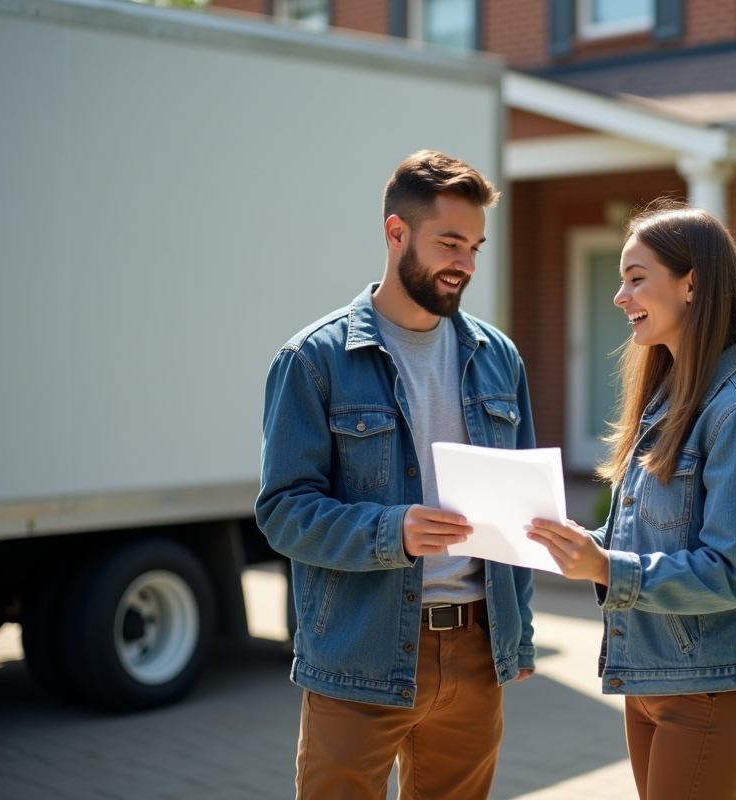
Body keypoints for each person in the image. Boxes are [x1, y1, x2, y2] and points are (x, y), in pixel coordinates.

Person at [256, 150, 536, 800]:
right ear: (395, 232)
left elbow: (519, 511)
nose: (464, 262)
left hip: (474, 650)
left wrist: (515, 637)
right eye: (449, 242)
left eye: (474, 245)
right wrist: (395, 530)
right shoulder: (313, 361)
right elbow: (284, 512)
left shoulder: (500, 359)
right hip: (361, 653)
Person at [527, 201, 736, 800]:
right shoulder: (667, 401)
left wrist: (606, 568)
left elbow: (726, 573)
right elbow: (652, 541)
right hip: (649, 678)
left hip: (712, 689)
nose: (621, 297)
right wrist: (576, 544)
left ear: (692, 283)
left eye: (635, 278)